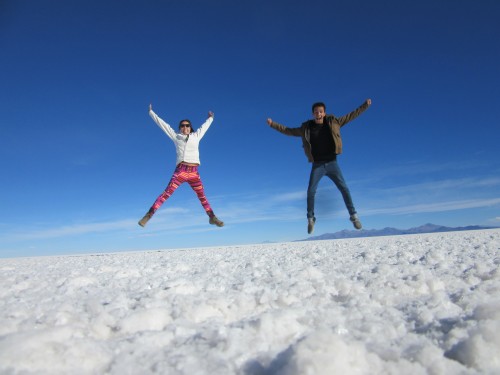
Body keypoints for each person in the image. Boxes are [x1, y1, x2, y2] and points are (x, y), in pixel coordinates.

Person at [266, 99, 372, 234]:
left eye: (321, 111)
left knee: (344, 188)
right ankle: (311, 219)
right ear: (313, 114)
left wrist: (365, 106)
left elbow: (352, 115)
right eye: (316, 112)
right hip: (318, 165)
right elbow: (288, 131)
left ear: (324, 112)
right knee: (311, 192)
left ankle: (354, 216)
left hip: (333, 163)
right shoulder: (306, 128)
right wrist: (272, 124)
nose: (319, 114)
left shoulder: (334, 122)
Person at [138, 104, 224, 228]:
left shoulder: (196, 136)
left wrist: (210, 118)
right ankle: (148, 215)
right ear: (180, 128)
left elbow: (204, 127)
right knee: (166, 193)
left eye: (187, 125)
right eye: (183, 125)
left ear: (190, 127)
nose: (185, 127)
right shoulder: (176, 136)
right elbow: (163, 125)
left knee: (202, 195)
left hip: (194, 172)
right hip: (181, 171)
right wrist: (151, 113)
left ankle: (212, 217)